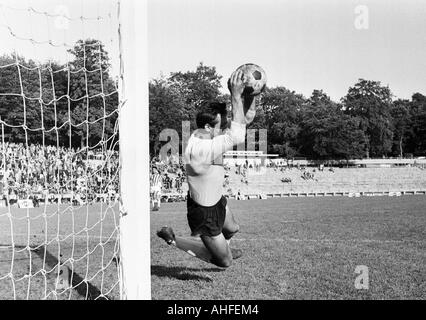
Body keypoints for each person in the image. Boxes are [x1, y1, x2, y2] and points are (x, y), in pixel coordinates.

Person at [157, 69, 257, 268]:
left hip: (216, 199)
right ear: (209, 127)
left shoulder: (208, 136)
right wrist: (235, 95)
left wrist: (252, 96)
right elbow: (237, 136)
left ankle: (222, 247)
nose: (225, 127)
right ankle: (173, 239)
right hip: (204, 212)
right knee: (226, 262)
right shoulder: (200, 148)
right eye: (221, 124)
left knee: (232, 229)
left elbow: (246, 119)